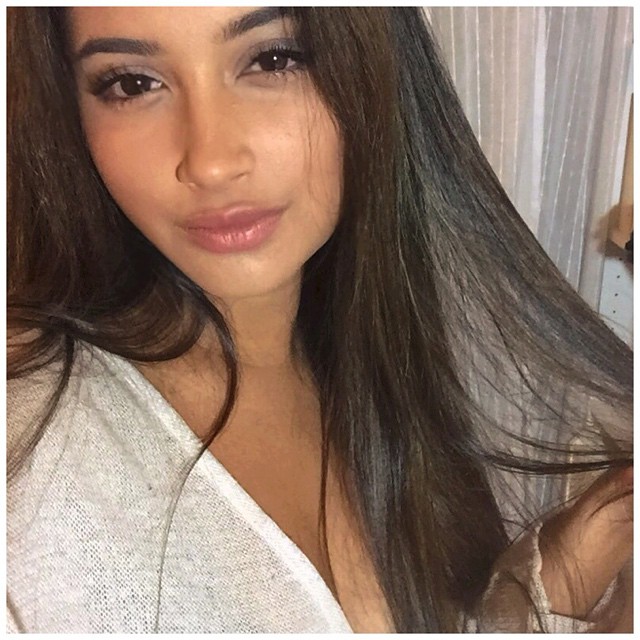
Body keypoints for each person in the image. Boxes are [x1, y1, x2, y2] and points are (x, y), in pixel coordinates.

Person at [6, 7, 632, 633]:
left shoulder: (360, 364)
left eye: (273, 60)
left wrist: (558, 576)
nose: (211, 162)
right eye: (132, 83)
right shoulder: (29, 454)